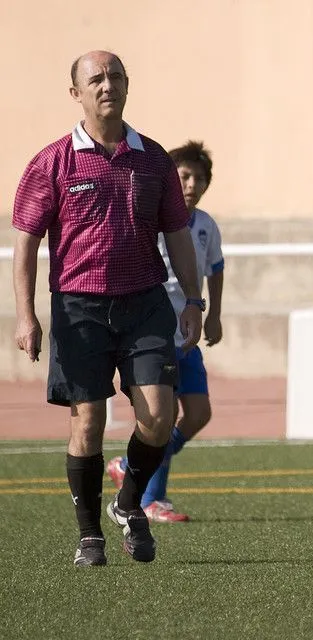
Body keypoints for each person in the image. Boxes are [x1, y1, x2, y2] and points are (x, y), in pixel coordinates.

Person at [12, 51, 205, 567]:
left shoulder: (154, 158)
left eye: (116, 76)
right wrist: (26, 315)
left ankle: (128, 499)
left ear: (127, 85)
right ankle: (89, 534)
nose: (107, 85)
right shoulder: (52, 161)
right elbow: (27, 242)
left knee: (160, 418)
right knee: (88, 422)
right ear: (75, 92)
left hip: (145, 304)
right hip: (79, 310)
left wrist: (194, 299)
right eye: (95, 78)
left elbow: (179, 234)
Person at [106, 140, 224, 522]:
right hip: (155, 332)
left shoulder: (206, 225)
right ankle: (151, 499)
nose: (192, 184)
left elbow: (215, 270)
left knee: (199, 414)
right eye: (185, 176)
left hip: (187, 334)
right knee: (165, 413)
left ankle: (130, 465)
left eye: (200, 178)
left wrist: (214, 314)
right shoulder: (152, 218)